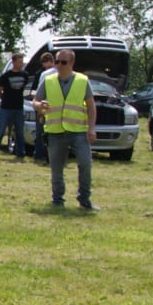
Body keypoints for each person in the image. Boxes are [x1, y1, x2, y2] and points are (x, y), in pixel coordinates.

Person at [32, 49, 97, 210]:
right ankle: (58, 200)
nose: (59, 65)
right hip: (55, 132)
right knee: (56, 168)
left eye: (63, 62)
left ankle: (84, 199)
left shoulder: (82, 81)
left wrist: (91, 129)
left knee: (85, 163)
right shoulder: (48, 80)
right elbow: (35, 101)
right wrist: (39, 106)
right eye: (57, 62)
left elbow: (91, 106)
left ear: (72, 63)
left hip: (78, 131)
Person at [0, 51, 30, 158]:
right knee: (0, 131)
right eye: (19, 62)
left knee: (20, 132)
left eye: (22, 62)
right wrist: (5, 99)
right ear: (14, 62)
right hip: (6, 108)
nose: (21, 64)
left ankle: (21, 154)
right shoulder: (6, 76)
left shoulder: (24, 75)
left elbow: (25, 90)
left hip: (19, 108)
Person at [31, 51, 56, 162]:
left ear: (53, 61)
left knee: (44, 132)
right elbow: (37, 92)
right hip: (44, 105)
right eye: (45, 65)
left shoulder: (46, 74)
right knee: (42, 131)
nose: (47, 67)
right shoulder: (41, 74)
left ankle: (45, 155)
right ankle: (40, 154)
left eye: (49, 64)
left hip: (48, 106)